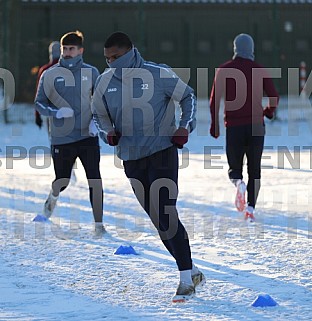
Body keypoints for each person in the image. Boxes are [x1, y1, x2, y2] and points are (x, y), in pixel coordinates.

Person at [91, 31, 205, 302]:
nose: (110, 63)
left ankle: (185, 280)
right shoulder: (104, 82)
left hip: (162, 152)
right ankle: (192, 270)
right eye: (107, 59)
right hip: (131, 157)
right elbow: (98, 114)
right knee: (159, 222)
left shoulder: (158, 73)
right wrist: (108, 132)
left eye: (115, 57)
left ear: (130, 52)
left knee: (166, 212)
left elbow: (188, 97)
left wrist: (183, 127)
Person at [35, 31, 105, 236]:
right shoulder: (49, 74)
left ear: (80, 50)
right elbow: (39, 103)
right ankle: (53, 195)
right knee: (62, 180)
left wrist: (96, 121)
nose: (66, 53)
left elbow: (102, 101)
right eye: (64, 49)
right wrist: (55, 112)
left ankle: (99, 225)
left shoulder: (92, 72)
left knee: (95, 180)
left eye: (71, 49)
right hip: (62, 138)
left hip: (87, 136)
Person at [209, 33, 279, 222]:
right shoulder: (259, 69)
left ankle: (238, 182)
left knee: (235, 168)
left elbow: (214, 101)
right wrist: (269, 112)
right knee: (255, 170)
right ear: (252, 49)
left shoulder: (223, 70)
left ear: (235, 48)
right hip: (256, 126)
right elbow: (274, 96)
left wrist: (214, 125)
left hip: (234, 126)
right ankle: (250, 208)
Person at [35, 41, 61, 129]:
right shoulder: (68, 68)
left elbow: (38, 93)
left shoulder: (45, 70)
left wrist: (37, 114)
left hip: (50, 109)